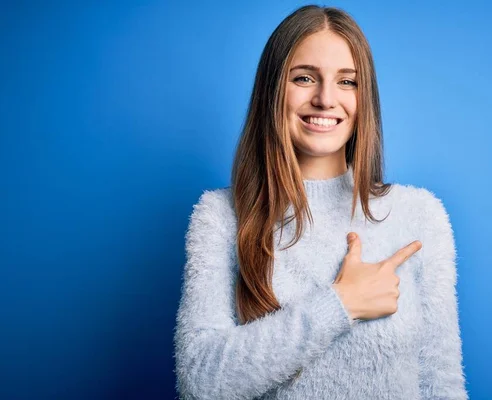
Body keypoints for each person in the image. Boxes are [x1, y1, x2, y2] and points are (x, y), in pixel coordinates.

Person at [174, 4, 468, 399]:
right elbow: (199, 383)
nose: (326, 99)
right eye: (304, 78)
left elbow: (442, 383)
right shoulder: (220, 217)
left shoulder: (418, 215)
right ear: (273, 89)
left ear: (365, 98)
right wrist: (340, 303)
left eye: (347, 82)